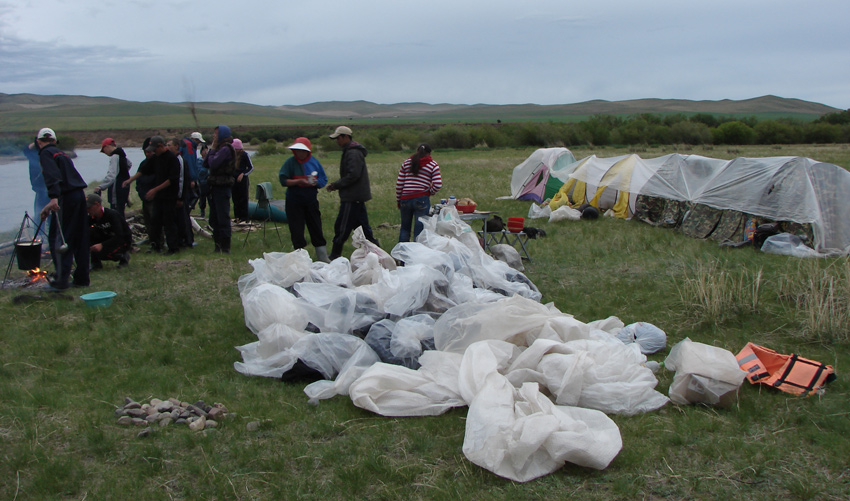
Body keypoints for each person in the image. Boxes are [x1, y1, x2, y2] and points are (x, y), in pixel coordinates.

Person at [35, 127, 90, 290]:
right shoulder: (62, 154)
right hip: (79, 196)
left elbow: (53, 176)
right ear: (54, 140)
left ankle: (61, 281)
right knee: (80, 238)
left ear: (39, 142)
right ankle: (82, 279)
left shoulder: (45, 153)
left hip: (66, 198)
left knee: (59, 239)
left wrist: (53, 198)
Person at [326, 126, 378, 260]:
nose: (337, 141)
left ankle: (334, 256)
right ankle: (378, 254)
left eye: (338, 138)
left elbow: (353, 175)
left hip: (352, 197)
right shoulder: (352, 151)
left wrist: (336, 185)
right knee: (364, 230)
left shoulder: (353, 153)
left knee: (342, 228)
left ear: (345, 137)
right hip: (357, 197)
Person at [278, 137, 330, 262]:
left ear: (308, 151)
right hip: (294, 200)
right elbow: (283, 180)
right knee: (296, 230)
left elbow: (324, 180)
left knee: (316, 227)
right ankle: (300, 258)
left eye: (302, 150)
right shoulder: (289, 163)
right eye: (297, 150)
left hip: (311, 200)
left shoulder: (315, 163)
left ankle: (322, 257)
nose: (299, 153)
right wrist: (298, 181)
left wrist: (317, 183)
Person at [396, 143, 442, 242]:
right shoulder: (433, 164)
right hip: (421, 199)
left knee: (404, 228)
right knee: (419, 230)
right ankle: (416, 254)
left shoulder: (406, 163)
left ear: (417, 151)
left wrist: (399, 200)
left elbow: (399, 184)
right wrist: (430, 192)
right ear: (429, 153)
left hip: (405, 199)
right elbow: (438, 184)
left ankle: (401, 253)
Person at [144, 136, 180, 254]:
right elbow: (143, 169)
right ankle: (156, 245)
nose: (153, 152)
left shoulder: (172, 159)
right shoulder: (156, 158)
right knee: (155, 221)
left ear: (160, 146)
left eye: (155, 149)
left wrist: (155, 190)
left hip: (169, 196)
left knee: (169, 222)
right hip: (159, 197)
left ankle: (173, 247)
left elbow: (172, 179)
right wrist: (130, 180)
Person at [204, 125, 236, 253]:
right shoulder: (218, 149)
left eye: (216, 134)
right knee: (214, 218)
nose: (214, 136)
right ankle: (217, 245)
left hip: (222, 187)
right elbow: (205, 163)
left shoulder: (226, 149)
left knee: (222, 217)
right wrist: (212, 150)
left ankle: (225, 247)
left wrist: (211, 152)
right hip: (215, 186)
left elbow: (213, 164)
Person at [123, 137, 156, 246]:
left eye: (149, 152)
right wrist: (141, 193)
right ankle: (151, 239)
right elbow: (138, 181)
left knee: (155, 220)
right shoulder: (143, 164)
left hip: (155, 197)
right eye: (145, 152)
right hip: (144, 197)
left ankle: (158, 241)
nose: (147, 154)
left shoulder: (159, 163)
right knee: (148, 221)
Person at [86, 193, 131, 269]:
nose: (88, 210)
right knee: (89, 233)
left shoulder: (112, 215)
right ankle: (95, 263)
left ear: (97, 205)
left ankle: (123, 256)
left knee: (103, 253)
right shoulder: (91, 218)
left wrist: (102, 245)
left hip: (122, 241)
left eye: (89, 208)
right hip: (108, 239)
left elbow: (120, 235)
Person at [168, 138, 195, 248]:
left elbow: (182, 180)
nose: (167, 147)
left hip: (181, 196)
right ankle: (180, 240)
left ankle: (186, 241)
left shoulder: (180, 160)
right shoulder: (172, 160)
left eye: (170, 145)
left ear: (176, 146)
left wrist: (180, 197)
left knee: (183, 219)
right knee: (178, 219)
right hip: (176, 195)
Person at [96, 138, 132, 218]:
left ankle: (119, 228)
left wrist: (101, 187)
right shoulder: (122, 155)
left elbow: (111, 175)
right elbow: (129, 164)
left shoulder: (114, 157)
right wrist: (123, 172)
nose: (105, 153)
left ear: (107, 146)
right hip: (125, 188)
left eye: (104, 150)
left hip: (117, 189)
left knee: (116, 212)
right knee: (121, 210)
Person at [23, 141, 51, 240]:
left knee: (50, 216)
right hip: (40, 191)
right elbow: (26, 150)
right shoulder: (33, 155)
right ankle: (39, 239)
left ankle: (51, 238)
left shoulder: (46, 155)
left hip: (49, 191)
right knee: (39, 216)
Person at [231, 138, 253, 222]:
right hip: (233, 180)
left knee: (243, 198)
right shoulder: (231, 156)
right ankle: (237, 216)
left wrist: (243, 174)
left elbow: (251, 167)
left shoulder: (244, 154)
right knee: (235, 199)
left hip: (243, 180)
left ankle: (244, 217)